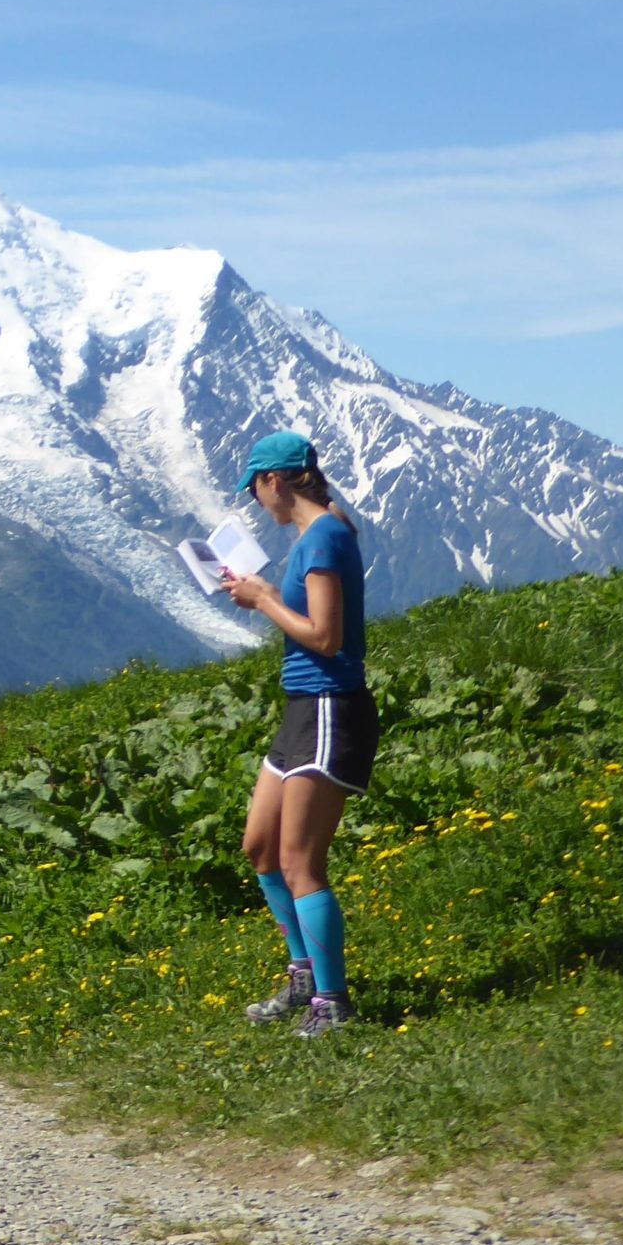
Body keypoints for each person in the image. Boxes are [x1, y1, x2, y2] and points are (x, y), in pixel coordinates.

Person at [219, 430, 375, 1040]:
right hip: (302, 709)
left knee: (299, 861)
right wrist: (254, 592)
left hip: (330, 705)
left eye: (256, 489)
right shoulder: (323, 529)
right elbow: (337, 518)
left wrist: (261, 599)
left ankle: (332, 1003)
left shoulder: (325, 538)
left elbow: (326, 636)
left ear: (274, 482)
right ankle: (304, 975)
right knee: (260, 846)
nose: (258, 502)